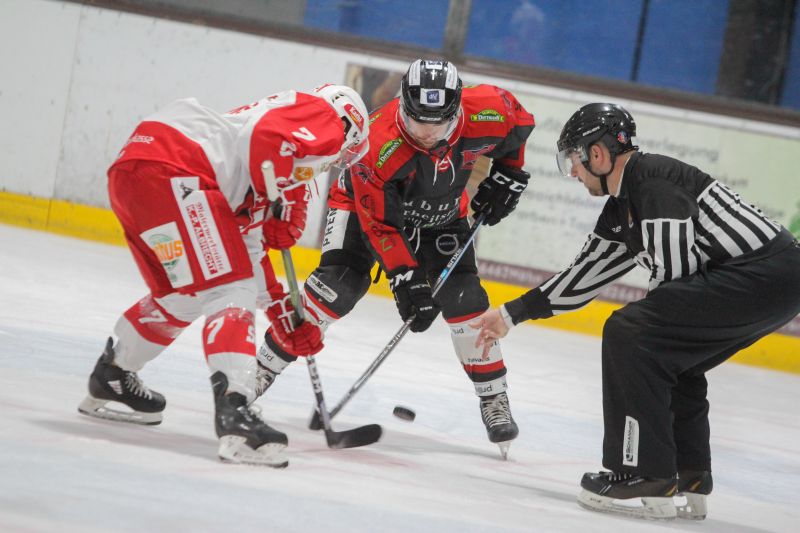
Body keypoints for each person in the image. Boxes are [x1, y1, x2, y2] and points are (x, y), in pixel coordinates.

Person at [470, 103, 800, 519]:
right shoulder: (624, 204)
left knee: (631, 332)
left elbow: (673, 279)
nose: (572, 172)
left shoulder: (654, 183)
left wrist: (648, 337)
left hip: (764, 275)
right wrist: (510, 314)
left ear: (598, 154)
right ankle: (689, 472)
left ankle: (645, 473)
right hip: (774, 280)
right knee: (673, 357)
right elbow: (584, 275)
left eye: (573, 160)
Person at [254, 59, 536, 458]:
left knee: (465, 299)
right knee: (336, 288)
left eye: (436, 124)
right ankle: (259, 372)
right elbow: (383, 228)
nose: (425, 133)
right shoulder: (378, 143)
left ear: (456, 110)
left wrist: (512, 172)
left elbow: (520, 123)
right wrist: (406, 281)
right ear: (403, 101)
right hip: (362, 210)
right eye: (417, 119)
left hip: (443, 216)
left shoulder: (488, 110)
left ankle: (494, 399)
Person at [77, 85, 370, 467]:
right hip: (177, 169)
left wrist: (283, 314)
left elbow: (245, 250)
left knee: (190, 292)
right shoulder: (326, 118)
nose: (332, 163)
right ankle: (235, 409)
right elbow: (266, 136)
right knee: (229, 288)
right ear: (349, 123)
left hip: (142, 168)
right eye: (344, 153)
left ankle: (113, 375)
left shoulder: (250, 158)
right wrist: (285, 198)